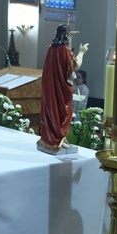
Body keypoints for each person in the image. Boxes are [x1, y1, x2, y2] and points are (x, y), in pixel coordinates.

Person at [36, 24, 87, 154]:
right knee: (64, 113)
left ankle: (48, 140)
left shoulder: (51, 48)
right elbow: (76, 64)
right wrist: (81, 52)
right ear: (67, 36)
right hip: (62, 90)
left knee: (51, 111)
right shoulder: (65, 50)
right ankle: (59, 139)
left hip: (51, 87)